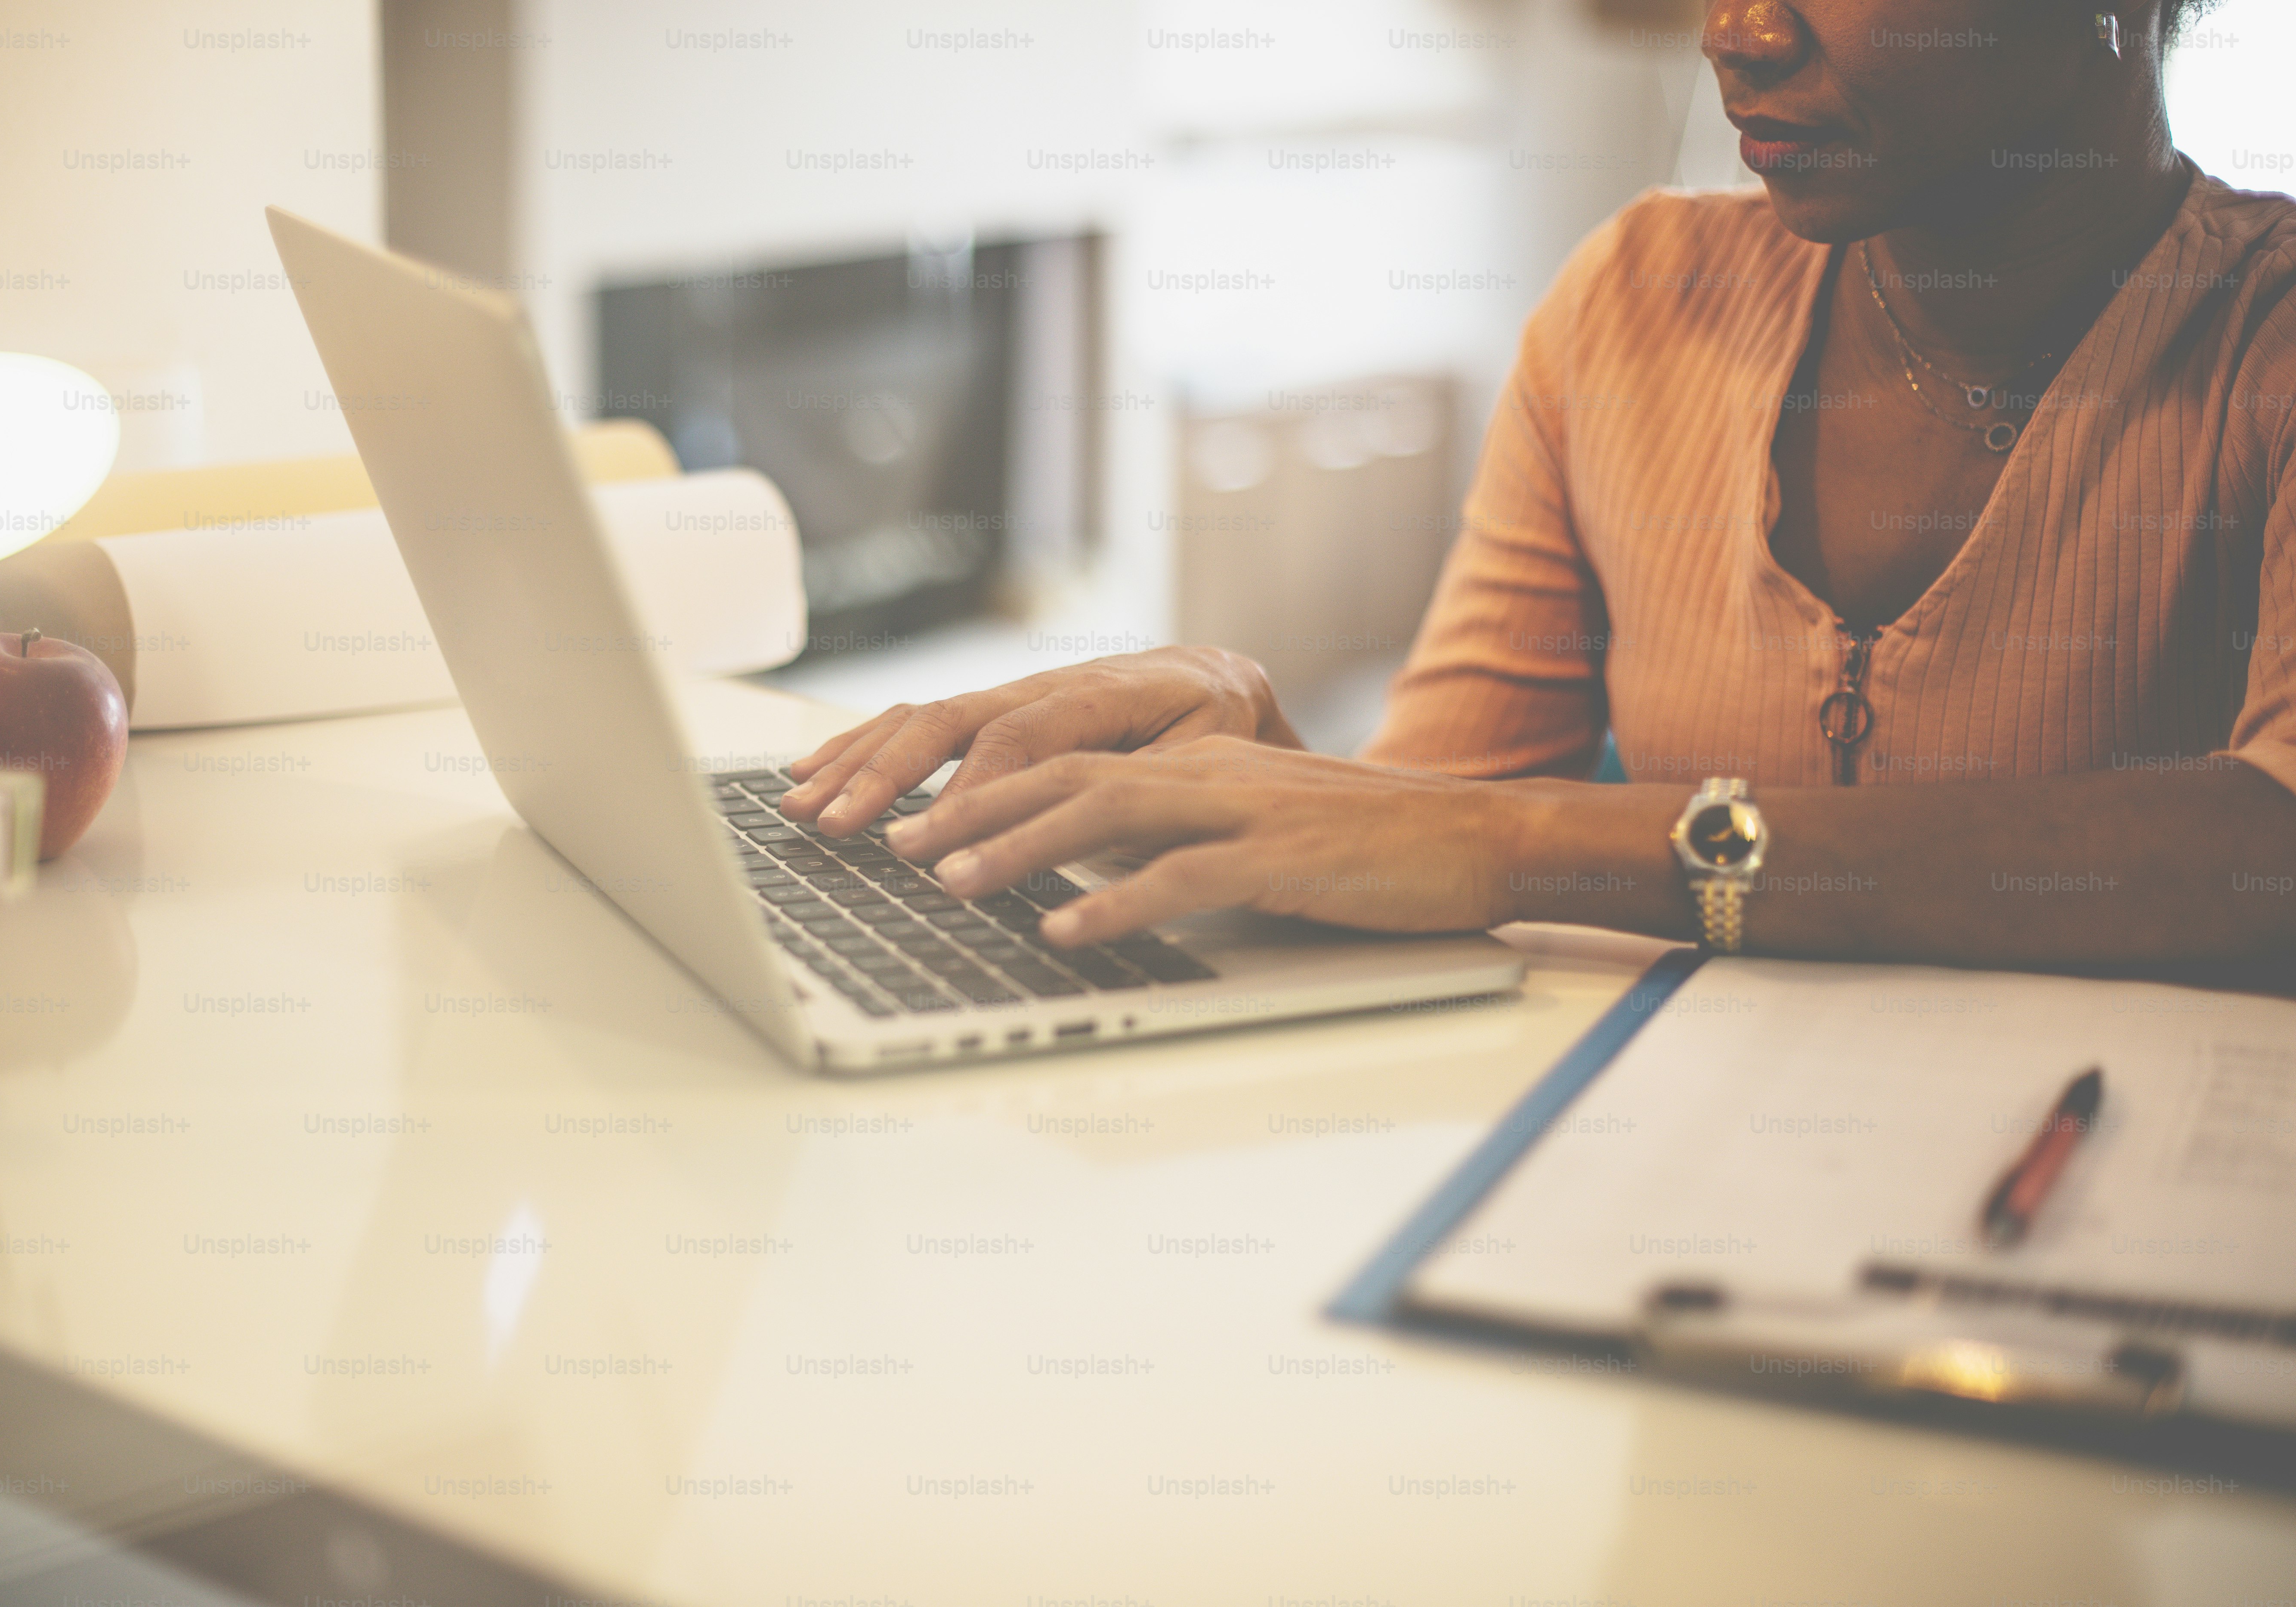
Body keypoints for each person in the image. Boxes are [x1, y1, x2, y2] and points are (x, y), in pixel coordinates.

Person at [781, 0, 2296, 970]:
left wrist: (1536, 839)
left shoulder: (2267, 346)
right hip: (1647, 1195)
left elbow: (2268, 857)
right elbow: (1444, 818)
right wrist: (1252, 743)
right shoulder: (1637, 299)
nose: (1736, 30)